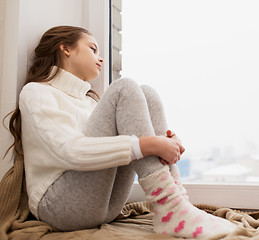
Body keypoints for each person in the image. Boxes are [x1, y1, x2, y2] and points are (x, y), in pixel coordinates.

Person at [6, 25, 236, 238]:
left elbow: (113, 149)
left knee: (147, 94)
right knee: (124, 88)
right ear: (65, 48)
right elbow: (70, 152)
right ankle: (171, 207)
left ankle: (174, 202)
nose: (101, 58)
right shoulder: (37, 92)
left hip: (106, 206)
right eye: (93, 49)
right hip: (59, 206)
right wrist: (148, 145)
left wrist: (162, 142)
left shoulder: (90, 104)